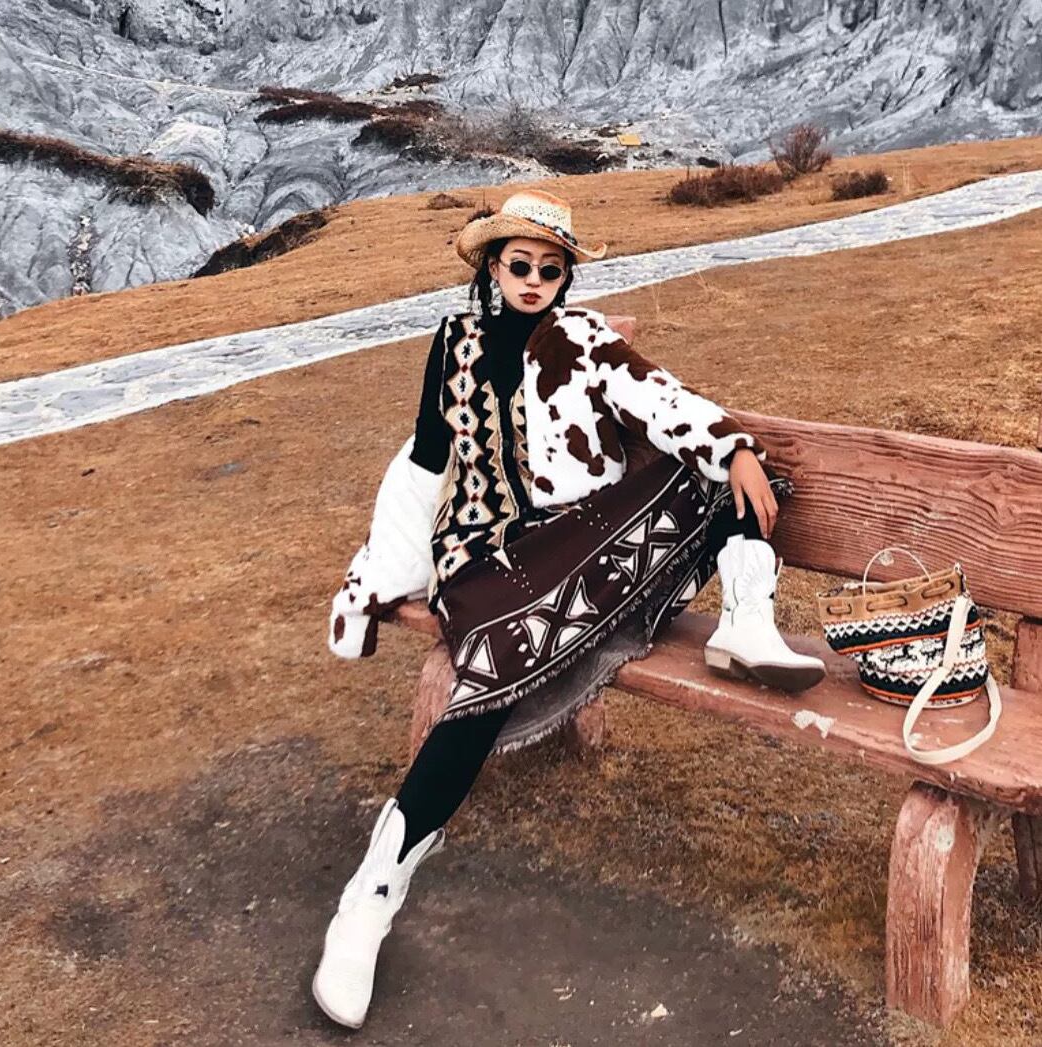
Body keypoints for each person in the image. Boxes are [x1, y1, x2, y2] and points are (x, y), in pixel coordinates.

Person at [312, 189, 826, 1028]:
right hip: (482, 555)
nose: (533, 280)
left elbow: (660, 398)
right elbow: (426, 459)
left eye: (550, 270)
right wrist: (381, 572)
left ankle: (746, 620)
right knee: (491, 672)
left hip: (578, 543)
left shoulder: (582, 339)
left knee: (722, 467)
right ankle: (370, 897)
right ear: (491, 266)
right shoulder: (453, 341)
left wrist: (732, 446)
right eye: (519, 265)